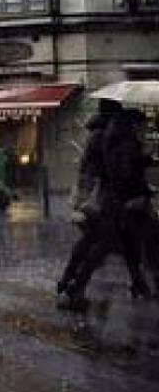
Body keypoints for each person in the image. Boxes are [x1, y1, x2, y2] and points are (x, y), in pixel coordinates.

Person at [59, 107, 154, 309]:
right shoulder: (120, 140)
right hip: (115, 199)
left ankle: (138, 283)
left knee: (126, 243)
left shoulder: (112, 136)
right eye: (143, 125)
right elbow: (122, 171)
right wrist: (140, 187)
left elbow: (117, 166)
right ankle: (74, 287)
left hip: (110, 197)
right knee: (103, 244)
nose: (145, 129)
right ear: (135, 124)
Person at [56, 100, 118, 299]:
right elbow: (105, 167)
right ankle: (77, 282)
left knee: (91, 238)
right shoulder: (103, 137)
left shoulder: (96, 134)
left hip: (88, 193)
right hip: (97, 195)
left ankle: (69, 277)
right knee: (102, 241)